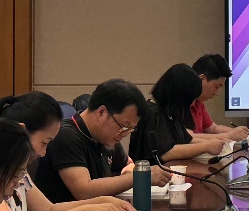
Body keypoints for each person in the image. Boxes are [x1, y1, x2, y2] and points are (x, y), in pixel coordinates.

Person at [0, 92, 139, 211]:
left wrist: (102, 202)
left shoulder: (20, 171)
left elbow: (48, 210)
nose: (43, 153)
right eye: (44, 143)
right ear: (21, 131)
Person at [34, 79, 168, 202]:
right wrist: (140, 177)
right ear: (101, 112)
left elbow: (129, 165)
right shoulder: (66, 135)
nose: (125, 134)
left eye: (130, 129)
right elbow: (84, 191)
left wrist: (128, 175)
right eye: (123, 126)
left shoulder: (106, 138)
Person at [129, 64, 231, 163]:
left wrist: (217, 143)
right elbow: (166, 153)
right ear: (179, 95)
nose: (192, 104)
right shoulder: (154, 114)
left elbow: (187, 140)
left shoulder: (170, 113)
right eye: (190, 99)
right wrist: (206, 147)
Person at [191, 53, 249, 140]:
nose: (216, 93)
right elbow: (187, 137)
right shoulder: (181, 101)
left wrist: (242, 132)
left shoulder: (199, 101)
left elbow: (212, 128)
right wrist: (228, 136)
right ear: (201, 78)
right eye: (216, 86)